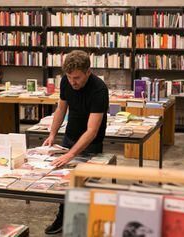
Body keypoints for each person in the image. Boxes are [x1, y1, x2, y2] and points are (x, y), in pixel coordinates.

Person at [43, 50, 109, 234]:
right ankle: (62, 217)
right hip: (68, 138)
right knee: (62, 182)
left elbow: (92, 130)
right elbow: (61, 108)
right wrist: (52, 134)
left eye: (77, 78)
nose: (73, 82)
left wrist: (71, 154)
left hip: (90, 143)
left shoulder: (99, 90)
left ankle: (82, 223)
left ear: (88, 71)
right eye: (70, 77)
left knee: (84, 185)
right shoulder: (66, 81)